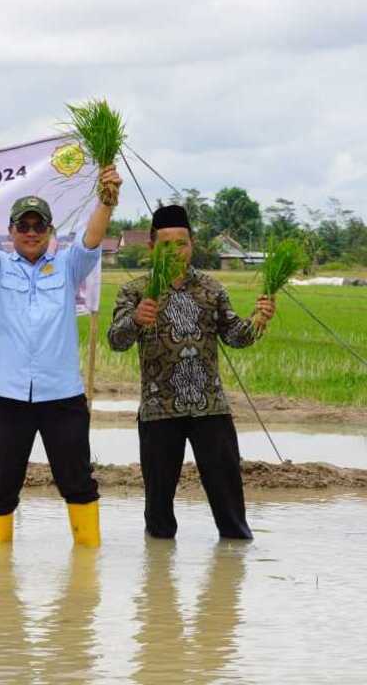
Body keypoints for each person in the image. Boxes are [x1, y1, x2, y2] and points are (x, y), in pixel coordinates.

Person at [0, 164, 122, 546]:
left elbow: (91, 240)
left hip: (62, 395)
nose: (31, 233)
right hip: (10, 395)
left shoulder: (68, 266)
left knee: (79, 483)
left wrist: (106, 200)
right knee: (1, 487)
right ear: (13, 232)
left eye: (39, 226)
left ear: (50, 231)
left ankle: (86, 571)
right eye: (24, 226)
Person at [107, 204, 274, 539]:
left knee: (231, 510)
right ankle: (158, 580)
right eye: (166, 245)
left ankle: (231, 574)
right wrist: (136, 319)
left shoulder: (211, 289)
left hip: (210, 408)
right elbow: (116, 340)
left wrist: (259, 319)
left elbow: (236, 336)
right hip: (158, 410)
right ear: (152, 247)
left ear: (191, 245)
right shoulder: (136, 291)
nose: (175, 251)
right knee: (158, 516)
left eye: (181, 243)